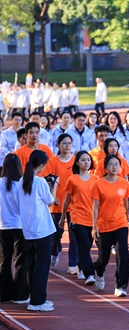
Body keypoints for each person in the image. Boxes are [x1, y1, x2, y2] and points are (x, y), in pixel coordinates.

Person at [17, 150, 58, 310]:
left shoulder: (22, 181)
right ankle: (37, 301)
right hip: (42, 229)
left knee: (31, 265)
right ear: (41, 165)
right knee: (42, 266)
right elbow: (50, 201)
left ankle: (34, 297)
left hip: (28, 229)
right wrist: (55, 185)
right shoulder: (40, 182)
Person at [91, 155, 129, 297]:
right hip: (104, 224)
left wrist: (125, 220)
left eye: (116, 164)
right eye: (111, 164)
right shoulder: (99, 184)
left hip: (120, 223)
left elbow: (126, 204)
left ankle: (121, 285)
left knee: (122, 253)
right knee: (104, 257)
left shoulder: (124, 183)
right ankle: (99, 270)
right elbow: (95, 206)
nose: (114, 167)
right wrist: (94, 226)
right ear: (105, 167)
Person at [62, 151, 99, 285]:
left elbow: (99, 200)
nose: (86, 162)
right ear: (77, 163)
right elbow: (67, 199)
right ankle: (90, 274)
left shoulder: (96, 179)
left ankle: (80, 265)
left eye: (88, 160)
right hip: (77, 217)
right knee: (83, 245)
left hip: (91, 218)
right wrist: (62, 217)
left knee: (87, 246)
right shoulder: (73, 179)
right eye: (83, 160)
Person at [43, 133, 75, 270]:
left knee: (74, 236)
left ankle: (73, 264)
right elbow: (47, 180)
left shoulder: (76, 161)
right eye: (64, 143)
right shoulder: (52, 161)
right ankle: (55, 251)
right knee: (55, 235)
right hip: (57, 204)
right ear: (58, 145)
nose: (67, 146)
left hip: (74, 204)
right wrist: (51, 195)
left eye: (69, 143)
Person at [0, 155, 28, 304]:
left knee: (4, 260)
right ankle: (20, 295)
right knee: (20, 261)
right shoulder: (21, 184)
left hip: (3, 226)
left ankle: (4, 294)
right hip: (19, 226)